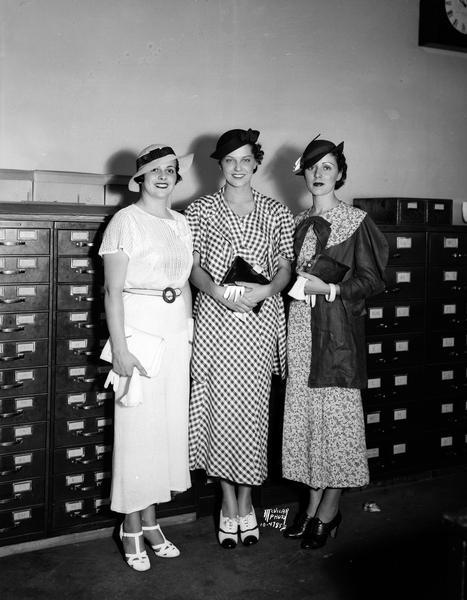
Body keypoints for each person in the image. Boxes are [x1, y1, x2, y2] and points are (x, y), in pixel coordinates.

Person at [185, 128, 295, 548]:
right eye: (229, 160)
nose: (237, 167)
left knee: (251, 413)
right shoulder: (200, 210)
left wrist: (267, 291)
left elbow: (284, 266)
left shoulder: (276, 211)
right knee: (218, 409)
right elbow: (193, 266)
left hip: (258, 323)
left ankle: (247, 501)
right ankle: (228, 502)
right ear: (221, 165)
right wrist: (215, 292)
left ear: (256, 163)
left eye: (245, 160)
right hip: (216, 320)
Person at [282, 135, 388, 549]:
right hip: (300, 332)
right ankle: (311, 507)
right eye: (312, 167)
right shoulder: (296, 222)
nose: (319, 174)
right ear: (303, 174)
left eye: (327, 167)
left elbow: (373, 279)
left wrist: (331, 290)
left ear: (340, 174)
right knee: (308, 423)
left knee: (337, 423)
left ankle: (330, 510)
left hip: (336, 333)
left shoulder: (357, 222)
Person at [98, 143, 194, 571]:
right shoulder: (125, 221)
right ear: (139, 178)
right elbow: (111, 291)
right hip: (139, 331)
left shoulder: (181, 223)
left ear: (177, 177)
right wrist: (120, 347)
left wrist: (190, 335)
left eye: (170, 170)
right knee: (137, 432)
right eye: (153, 170)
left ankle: (153, 521)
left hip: (176, 333)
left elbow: (185, 282)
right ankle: (131, 526)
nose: (162, 176)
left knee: (164, 433)